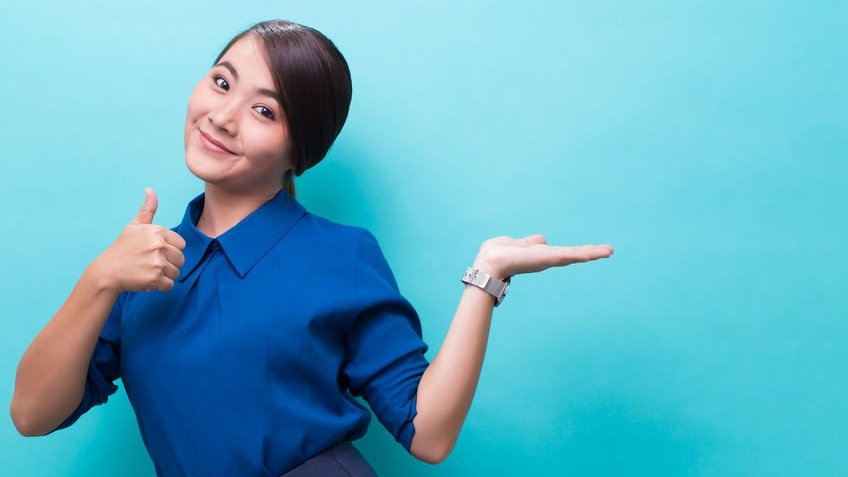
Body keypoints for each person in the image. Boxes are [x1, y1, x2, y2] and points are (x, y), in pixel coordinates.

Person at [9, 19, 614, 477]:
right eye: (222, 81)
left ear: (301, 149)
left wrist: (486, 277)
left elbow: (427, 435)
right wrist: (99, 279)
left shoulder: (340, 256)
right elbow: (32, 417)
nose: (222, 116)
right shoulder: (139, 264)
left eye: (264, 110)